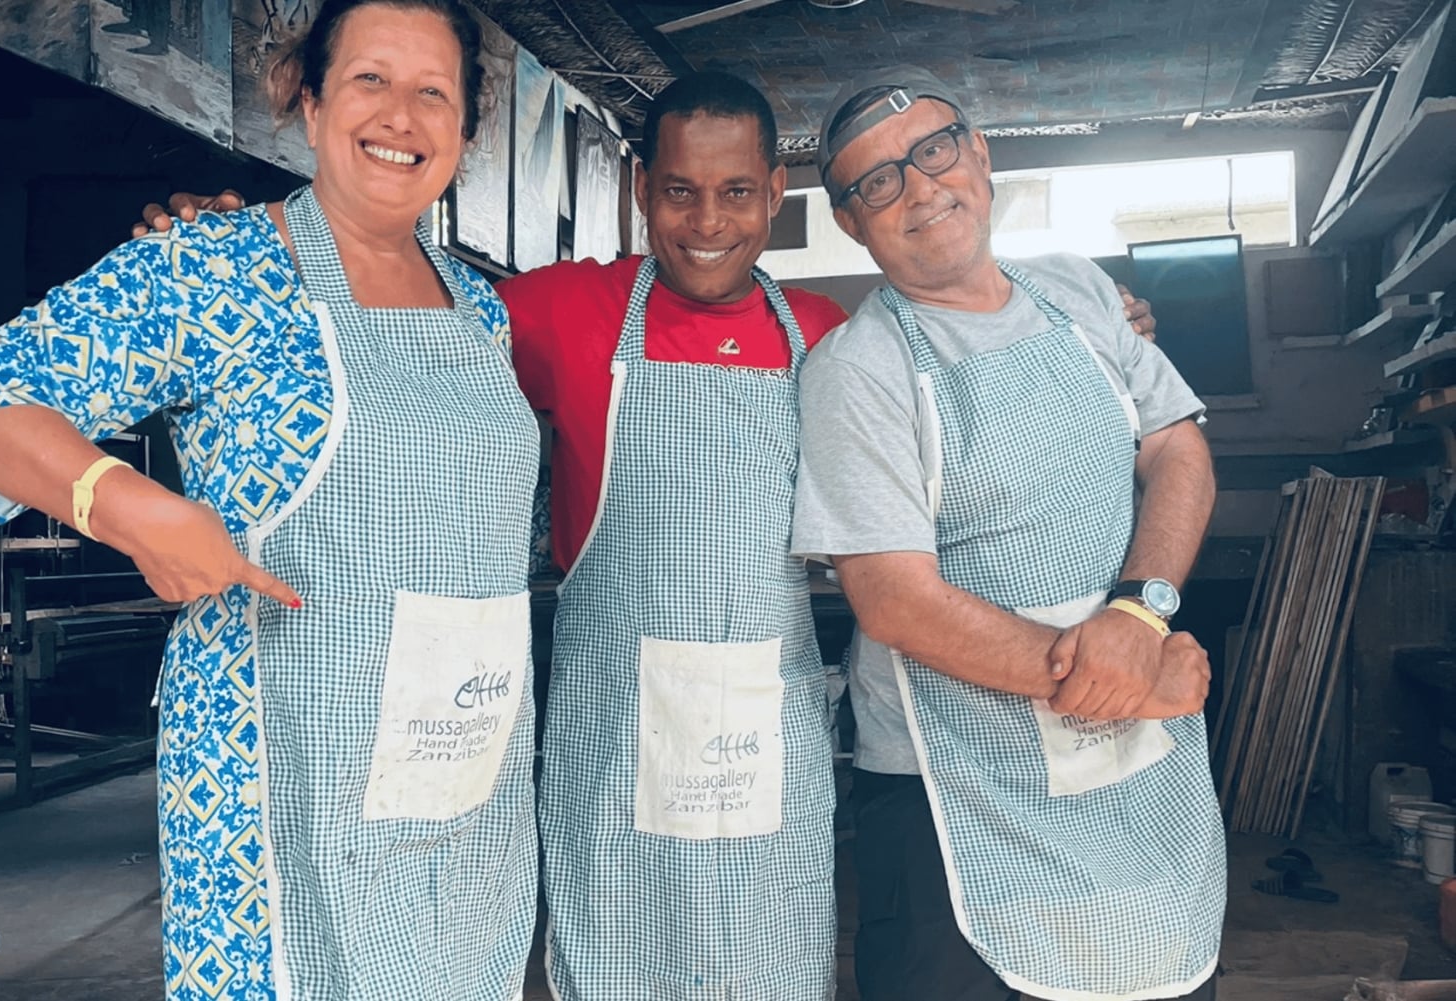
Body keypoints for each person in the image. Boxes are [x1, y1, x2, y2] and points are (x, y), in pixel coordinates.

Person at [135, 71, 1158, 1000]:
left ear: (776, 190)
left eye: (737, 193)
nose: (706, 222)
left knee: (771, 967)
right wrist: (248, 247)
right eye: (679, 191)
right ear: (641, 188)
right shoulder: (558, 312)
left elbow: (982, 342)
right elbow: (389, 300)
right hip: (609, 737)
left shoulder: (835, 339)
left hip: (774, 729)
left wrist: (1102, 322)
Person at [0, 3, 542, 999]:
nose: (400, 115)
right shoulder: (214, 264)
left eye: (432, 92)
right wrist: (131, 507)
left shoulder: (477, 305)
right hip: (276, 780)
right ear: (307, 104)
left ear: (466, 130)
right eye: (369, 80)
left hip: (465, 787)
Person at [793, 66, 1224, 1001]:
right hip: (951, 794)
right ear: (851, 223)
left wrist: (1141, 616)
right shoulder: (858, 367)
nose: (919, 187)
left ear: (981, 154)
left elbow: (1177, 449)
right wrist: (1125, 682)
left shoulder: (1079, 293)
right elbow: (897, 603)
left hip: (1136, 776)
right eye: (877, 182)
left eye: (934, 150)